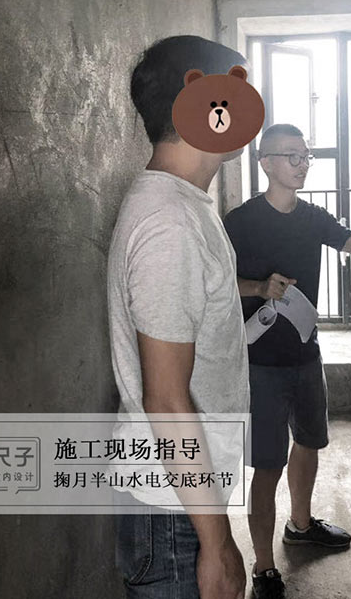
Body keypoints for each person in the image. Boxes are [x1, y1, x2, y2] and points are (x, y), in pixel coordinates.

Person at [223, 123, 351, 599]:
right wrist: (258, 288)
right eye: (292, 156)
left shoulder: (312, 217)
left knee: (309, 441)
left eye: (306, 155)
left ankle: (300, 525)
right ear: (265, 162)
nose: (303, 164)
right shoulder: (240, 221)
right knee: (267, 466)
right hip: (260, 362)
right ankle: (264, 568)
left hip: (306, 353)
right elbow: (213, 280)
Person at [107, 36, 251, 599]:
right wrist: (217, 545)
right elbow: (165, 400)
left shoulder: (183, 205)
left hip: (181, 501)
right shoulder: (170, 223)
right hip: (173, 516)